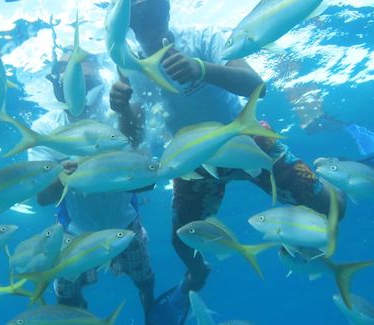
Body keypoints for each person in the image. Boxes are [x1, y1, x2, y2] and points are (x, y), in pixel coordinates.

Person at [108, 0, 347, 323]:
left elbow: (256, 86)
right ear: (128, 23)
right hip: (194, 161)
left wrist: (201, 68)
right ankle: (197, 273)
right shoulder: (129, 63)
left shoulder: (203, 37)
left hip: (245, 138)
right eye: (137, 13)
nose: (146, 16)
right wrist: (122, 110)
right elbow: (135, 136)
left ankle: (339, 174)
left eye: (152, 8)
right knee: (183, 240)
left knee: (333, 209)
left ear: (167, 8)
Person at [30, 48, 155, 322]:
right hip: (74, 232)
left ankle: (151, 308)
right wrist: (64, 176)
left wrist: (125, 111)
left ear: (97, 77)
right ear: (54, 82)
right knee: (67, 291)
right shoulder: (44, 129)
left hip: (125, 224)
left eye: (81, 76)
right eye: (62, 73)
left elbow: (147, 182)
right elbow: (42, 197)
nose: (71, 78)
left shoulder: (120, 113)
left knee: (144, 278)